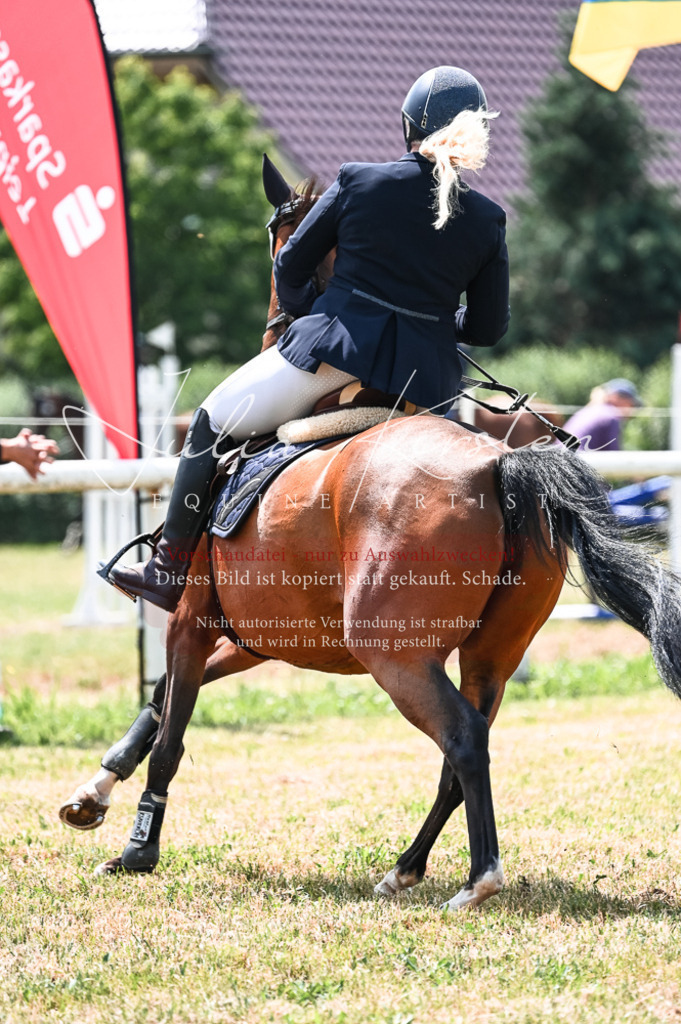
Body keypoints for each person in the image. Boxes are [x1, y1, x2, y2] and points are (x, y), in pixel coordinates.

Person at [104, 66, 511, 612]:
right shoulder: (488, 218)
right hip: (429, 385)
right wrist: (435, 324)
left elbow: (291, 266)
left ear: (408, 126)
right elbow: (486, 328)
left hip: (334, 354)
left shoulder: (359, 180)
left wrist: (308, 317)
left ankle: (168, 565)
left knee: (209, 419)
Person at [563, 378, 642, 452]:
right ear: (617, 398)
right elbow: (614, 455)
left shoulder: (590, 410)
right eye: (631, 404)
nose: (632, 408)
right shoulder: (610, 417)